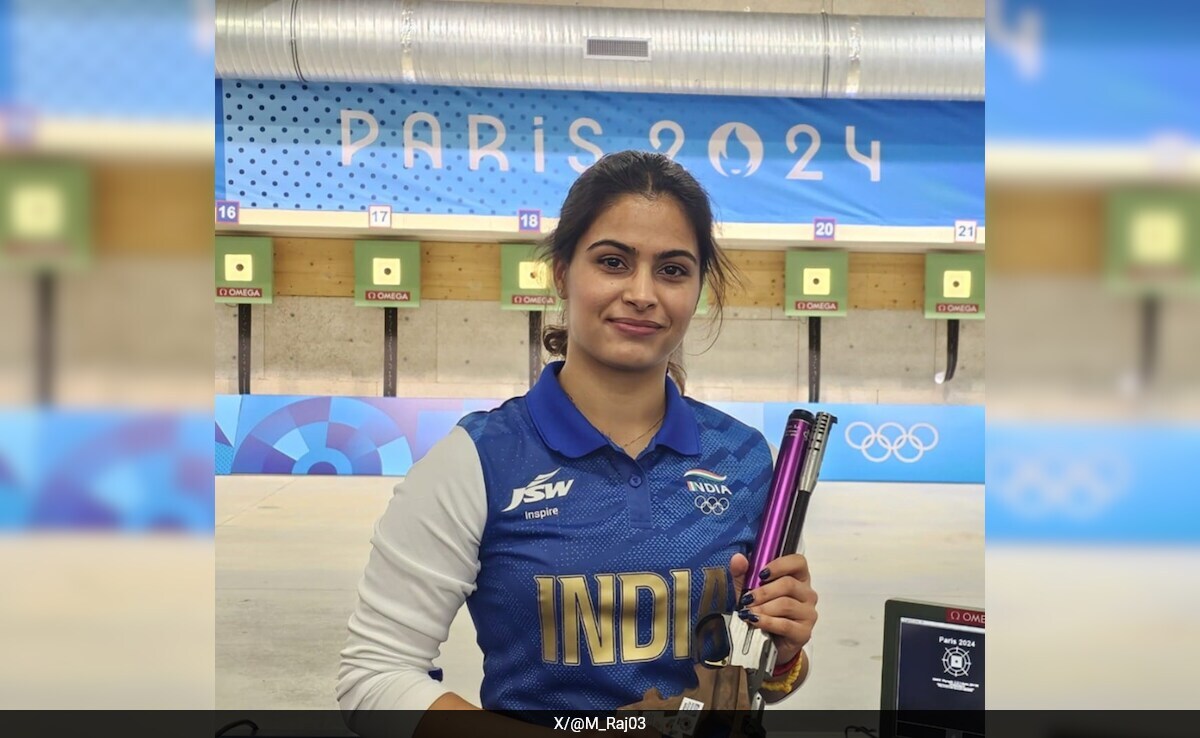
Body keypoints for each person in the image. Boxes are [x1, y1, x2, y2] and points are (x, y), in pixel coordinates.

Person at [337, 151, 818, 724]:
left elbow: (754, 680)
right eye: (613, 262)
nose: (642, 293)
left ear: (697, 289)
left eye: (672, 270)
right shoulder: (479, 460)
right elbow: (375, 678)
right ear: (562, 272)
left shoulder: (744, 458)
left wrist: (784, 654)